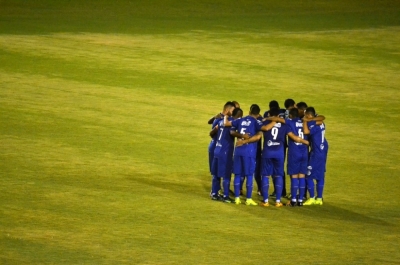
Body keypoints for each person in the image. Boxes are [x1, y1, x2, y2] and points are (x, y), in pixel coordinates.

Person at [238, 108, 308, 207]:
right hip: (279, 153)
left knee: (265, 176)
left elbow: (258, 136)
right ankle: (278, 201)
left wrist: (244, 141)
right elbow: (294, 137)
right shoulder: (285, 125)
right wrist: (306, 142)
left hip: (267, 152)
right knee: (278, 176)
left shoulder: (265, 123)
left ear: (270, 114)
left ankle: (266, 201)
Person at [224, 105, 263, 206]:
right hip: (249, 152)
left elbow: (229, 127)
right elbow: (258, 137)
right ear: (258, 114)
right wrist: (246, 141)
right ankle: (248, 199)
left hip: (238, 151)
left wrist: (225, 115)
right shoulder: (257, 122)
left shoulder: (240, 120)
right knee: (249, 175)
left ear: (249, 111)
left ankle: (237, 198)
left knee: (237, 174)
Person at [208, 101, 236, 198]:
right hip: (222, 149)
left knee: (216, 172)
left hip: (217, 148)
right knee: (224, 173)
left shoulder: (218, 120)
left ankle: (215, 192)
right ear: (228, 110)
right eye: (234, 110)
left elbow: (211, 133)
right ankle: (223, 194)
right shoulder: (230, 121)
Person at [302, 107, 329, 206]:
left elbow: (305, 132)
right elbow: (322, 118)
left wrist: (305, 122)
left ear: (308, 115)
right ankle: (319, 198)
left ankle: (312, 198)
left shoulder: (313, 124)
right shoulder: (320, 122)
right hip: (323, 151)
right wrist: (310, 119)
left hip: (316, 153)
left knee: (308, 175)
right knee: (320, 176)